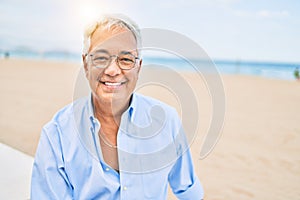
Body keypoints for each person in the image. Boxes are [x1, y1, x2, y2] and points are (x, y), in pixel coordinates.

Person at [31, 14, 204, 199]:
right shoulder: (56, 134)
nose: (113, 70)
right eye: (101, 57)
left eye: (126, 59)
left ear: (138, 67)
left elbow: (188, 190)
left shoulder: (167, 121)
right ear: (85, 64)